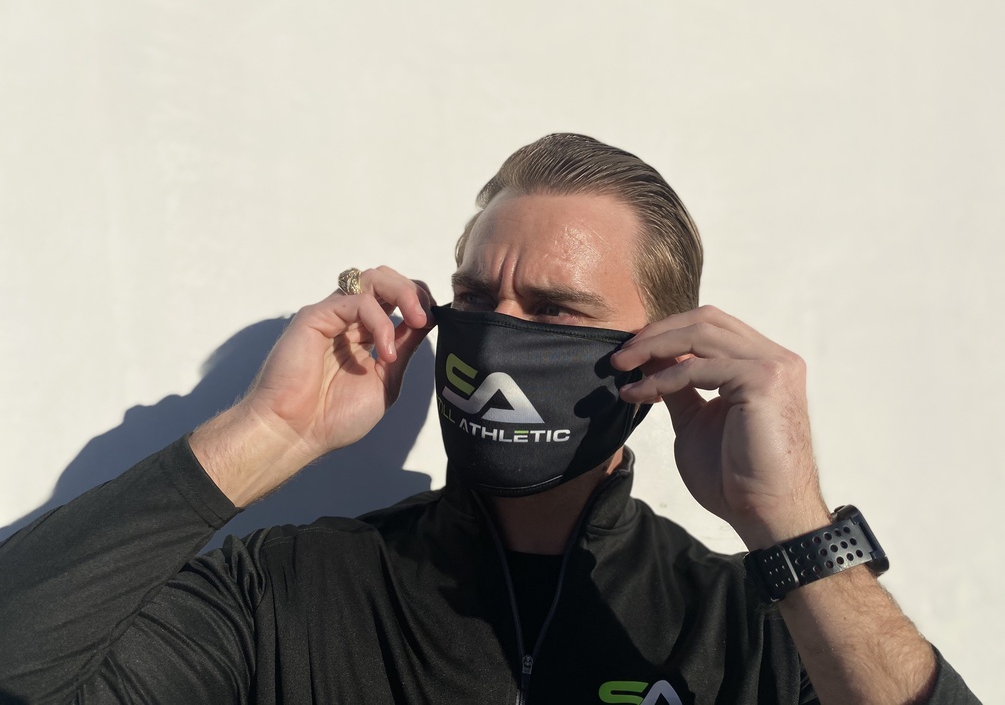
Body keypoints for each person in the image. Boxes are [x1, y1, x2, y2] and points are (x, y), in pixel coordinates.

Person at [0, 134, 978, 704]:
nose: (499, 336)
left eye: (552, 311)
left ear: (664, 352)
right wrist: (269, 433)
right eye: (475, 297)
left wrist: (792, 526)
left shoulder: (743, 626)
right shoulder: (288, 591)